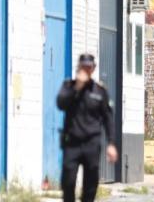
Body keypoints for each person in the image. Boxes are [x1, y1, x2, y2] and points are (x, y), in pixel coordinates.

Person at [57, 53, 118, 202]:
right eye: (83, 66)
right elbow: (60, 104)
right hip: (72, 143)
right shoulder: (69, 86)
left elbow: (108, 118)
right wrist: (77, 87)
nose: (85, 69)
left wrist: (111, 143)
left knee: (90, 184)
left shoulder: (99, 91)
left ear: (93, 69)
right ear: (78, 67)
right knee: (68, 182)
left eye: (88, 67)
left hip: (91, 143)